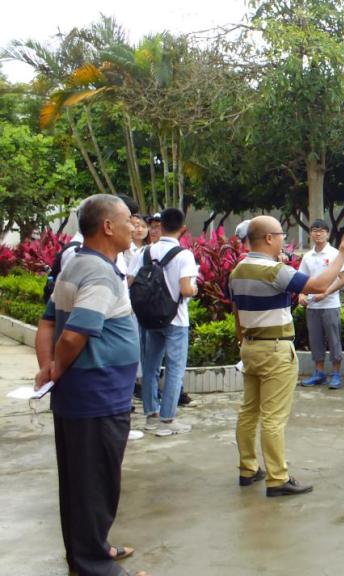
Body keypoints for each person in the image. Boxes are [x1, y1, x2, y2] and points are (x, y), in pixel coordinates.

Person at [34, 194, 149, 576]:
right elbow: (73, 335)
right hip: (96, 397)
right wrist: (57, 367)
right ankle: (95, 566)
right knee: (95, 485)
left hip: (83, 397)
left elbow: (48, 322)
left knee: (80, 484)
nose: (134, 226)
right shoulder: (99, 272)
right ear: (108, 227)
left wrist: (48, 366)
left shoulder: (77, 263)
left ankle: (90, 553)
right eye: (128, 219)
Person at [230, 216, 344, 497]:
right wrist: (342, 255)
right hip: (275, 349)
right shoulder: (275, 271)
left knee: (249, 411)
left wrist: (243, 342)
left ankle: (248, 468)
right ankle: (277, 478)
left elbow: (237, 313)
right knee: (273, 418)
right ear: (269, 238)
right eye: (281, 236)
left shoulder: (238, 271)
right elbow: (319, 285)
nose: (283, 241)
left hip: (250, 345)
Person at [130, 208, 199, 437]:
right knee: (174, 369)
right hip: (175, 319)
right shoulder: (184, 255)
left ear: (159, 227)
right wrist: (195, 289)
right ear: (183, 229)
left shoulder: (145, 251)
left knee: (150, 367)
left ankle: (151, 416)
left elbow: (130, 281)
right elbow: (186, 289)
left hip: (149, 317)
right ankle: (167, 420)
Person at [298, 219, 344, 389]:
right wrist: (301, 294)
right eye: (314, 230)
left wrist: (326, 293)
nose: (318, 234)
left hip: (330, 305)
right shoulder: (307, 256)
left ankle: (336, 374)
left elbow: (343, 279)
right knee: (315, 340)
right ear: (310, 234)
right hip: (312, 306)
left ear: (327, 233)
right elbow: (302, 280)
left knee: (334, 340)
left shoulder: (335, 254)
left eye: (321, 231)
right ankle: (319, 373)